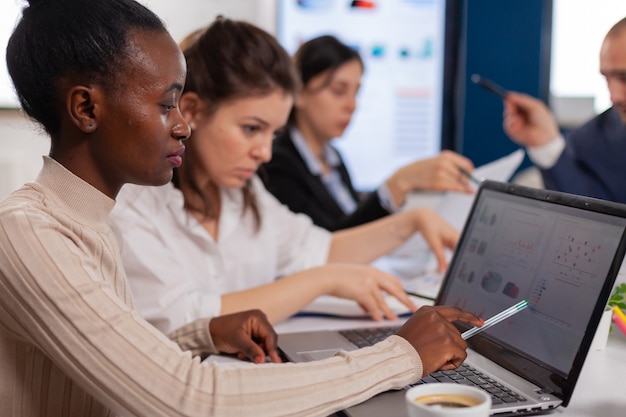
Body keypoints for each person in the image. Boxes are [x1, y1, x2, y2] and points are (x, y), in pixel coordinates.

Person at [0, 1, 486, 416]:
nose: (183, 127)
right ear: (86, 109)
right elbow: (186, 398)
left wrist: (203, 333)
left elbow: (121, 347)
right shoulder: (30, 232)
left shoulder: (87, 221)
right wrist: (399, 357)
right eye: (167, 105)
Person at [110, 18, 461, 333]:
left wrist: (411, 221)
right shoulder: (134, 203)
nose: (264, 152)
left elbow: (320, 249)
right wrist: (322, 281)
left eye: (273, 135)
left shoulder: (245, 194)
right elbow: (182, 319)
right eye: (251, 129)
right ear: (193, 111)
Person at [261, 35, 476, 231]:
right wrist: (396, 185)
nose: (352, 105)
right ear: (299, 93)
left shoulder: (333, 160)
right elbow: (325, 248)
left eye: (356, 93)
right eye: (338, 91)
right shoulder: (278, 164)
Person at [502, 17, 626, 204]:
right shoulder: (591, 142)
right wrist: (545, 143)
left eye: (624, 78)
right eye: (607, 79)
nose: (614, 96)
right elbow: (591, 216)